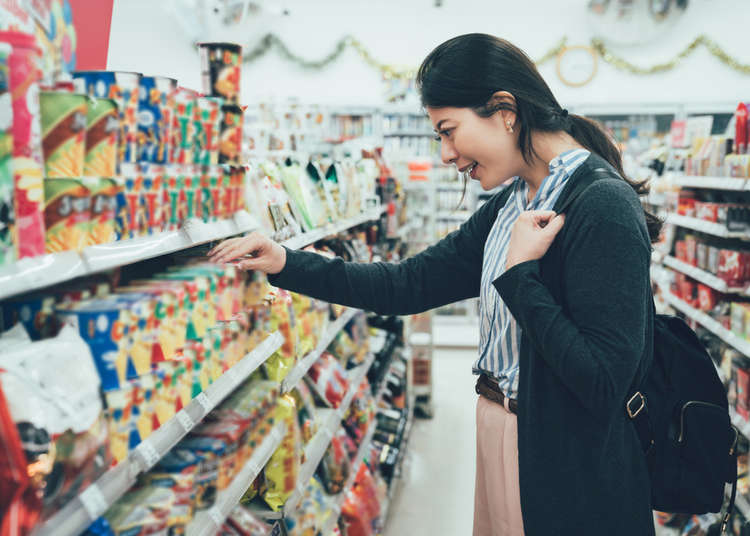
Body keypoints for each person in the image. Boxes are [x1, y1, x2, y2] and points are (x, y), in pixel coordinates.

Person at [208, 33, 661, 536]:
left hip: (565, 461)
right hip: (504, 430)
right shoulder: (515, 201)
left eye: (449, 130)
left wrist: (519, 276)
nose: (446, 154)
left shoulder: (601, 205)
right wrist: (284, 261)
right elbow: (407, 284)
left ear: (505, 110)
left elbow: (602, 382)